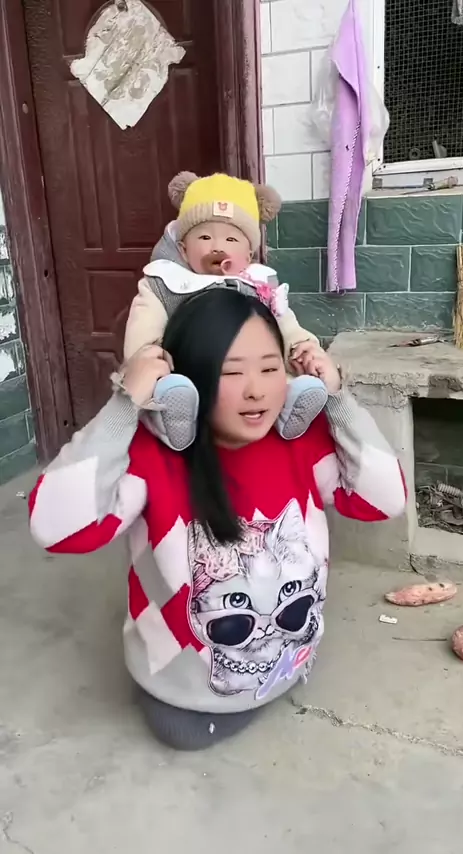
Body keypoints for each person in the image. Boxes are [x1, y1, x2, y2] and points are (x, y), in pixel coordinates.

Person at [29, 289, 406, 751]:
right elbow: (58, 529)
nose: (256, 390)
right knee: (180, 731)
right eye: (231, 372)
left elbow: (384, 500)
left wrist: (338, 398)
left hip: (290, 652)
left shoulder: (302, 444)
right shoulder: (150, 456)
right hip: (184, 687)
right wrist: (124, 406)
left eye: (270, 368)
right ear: (184, 383)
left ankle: (276, 669)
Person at [123, 170, 329, 452]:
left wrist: (303, 346)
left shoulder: (258, 284)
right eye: (205, 237)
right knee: (162, 389)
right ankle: (172, 421)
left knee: (275, 370)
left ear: (248, 254)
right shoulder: (163, 283)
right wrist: (147, 358)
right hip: (187, 370)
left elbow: (285, 323)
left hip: (246, 376)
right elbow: (143, 329)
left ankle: (288, 408)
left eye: (231, 240)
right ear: (183, 249)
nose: (218, 247)